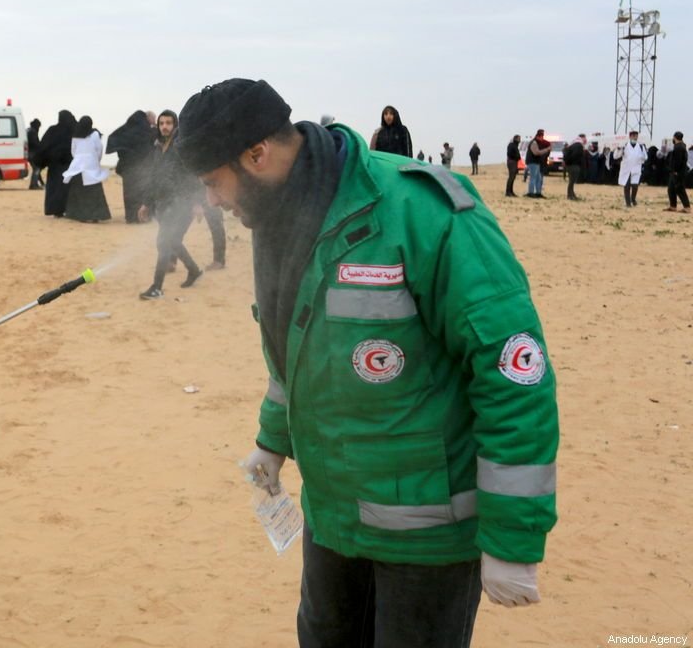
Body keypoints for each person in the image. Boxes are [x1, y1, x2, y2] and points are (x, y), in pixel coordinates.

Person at [175, 78, 558, 648]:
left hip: (427, 537)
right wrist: (272, 439)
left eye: (213, 183)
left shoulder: (423, 211)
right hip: (332, 521)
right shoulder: (277, 216)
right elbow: (294, 355)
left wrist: (513, 540)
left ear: (257, 154)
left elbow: (513, 375)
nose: (210, 200)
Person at [138, 110, 201, 300]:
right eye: (161, 123)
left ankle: (156, 287)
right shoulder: (158, 147)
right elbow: (154, 178)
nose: (164, 126)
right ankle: (194, 269)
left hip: (181, 202)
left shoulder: (181, 146)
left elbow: (192, 174)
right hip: (162, 202)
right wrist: (146, 204)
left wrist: (197, 203)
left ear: (175, 125)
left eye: (168, 123)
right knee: (172, 241)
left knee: (163, 242)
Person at [105, 110, 155, 223]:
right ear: (148, 118)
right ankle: (142, 218)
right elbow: (151, 147)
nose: (155, 121)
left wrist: (123, 154)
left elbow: (113, 139)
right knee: (142, 191)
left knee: (129, 193)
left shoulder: (125, 130)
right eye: (154, 118)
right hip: (142, 168)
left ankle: (131, 217)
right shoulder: (146, 130)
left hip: (127, 167)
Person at [61, 115, 112, 222]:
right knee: (93, 192)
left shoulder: (75, 135)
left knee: (78, 192)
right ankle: (95, 216)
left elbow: (73, 151)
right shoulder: (94, 134)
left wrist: (79, 159)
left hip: (77, 167)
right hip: (91, 166)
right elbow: (99, 149)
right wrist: (96, 161)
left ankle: (79, 215)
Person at [36, 110, 76, 217]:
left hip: (55, 165)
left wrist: (42, 162)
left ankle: (57, 211)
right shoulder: (75, 129)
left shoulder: (53, 130)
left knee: (56, 188)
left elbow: (44, 147)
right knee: (69, 188)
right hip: (71, 165)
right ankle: (71, 210)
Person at [618, 130, 646, 207]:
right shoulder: (625, 145)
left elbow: (645, 157)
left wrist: (640, 158)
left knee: (635, 185)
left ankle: (633, 199)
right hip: (626, 169)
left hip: (636, 169)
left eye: (636, 135)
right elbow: (616, 156)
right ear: (630, 136)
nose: (634, 137)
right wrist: (619, 149)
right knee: (626, 186)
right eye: (633, 135)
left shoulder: (641, 146)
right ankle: (628, 203)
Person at [664, 131, 690, 213]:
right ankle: (673, 206)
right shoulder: (681, 146)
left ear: (675, 137)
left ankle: (687, 207)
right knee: (671, 189)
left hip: (678, 172)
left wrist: (675, 170)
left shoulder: (679, 147)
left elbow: (678, 161)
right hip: (675, 171)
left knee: (680, 189)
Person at [524, 129, 549, 198]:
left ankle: (538, 193)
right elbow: (536, 152)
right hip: (532, 162)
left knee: (538, 178)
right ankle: (531, 192)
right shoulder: (534, 143)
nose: (542, 138)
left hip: (536, 162)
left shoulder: (536, 142)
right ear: (538, 136)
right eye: (541, 136)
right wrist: (546, 150)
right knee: (533, 178)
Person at [562, 135, 585, 201]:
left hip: (570, 165)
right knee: (572, 181)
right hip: (574, 165)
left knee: (571, 181)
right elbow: (575, 155)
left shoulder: (572, 145)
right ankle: (570, 195)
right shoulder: (579, 146)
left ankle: (572, 194)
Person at [26, 118, 44, 189]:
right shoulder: (32, 132)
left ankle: (38, 183)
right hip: (32, 154)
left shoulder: (28, 130)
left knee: (36, 169)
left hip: (29, 153)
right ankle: (33, 185)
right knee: (37, 169)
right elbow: (35, 143)